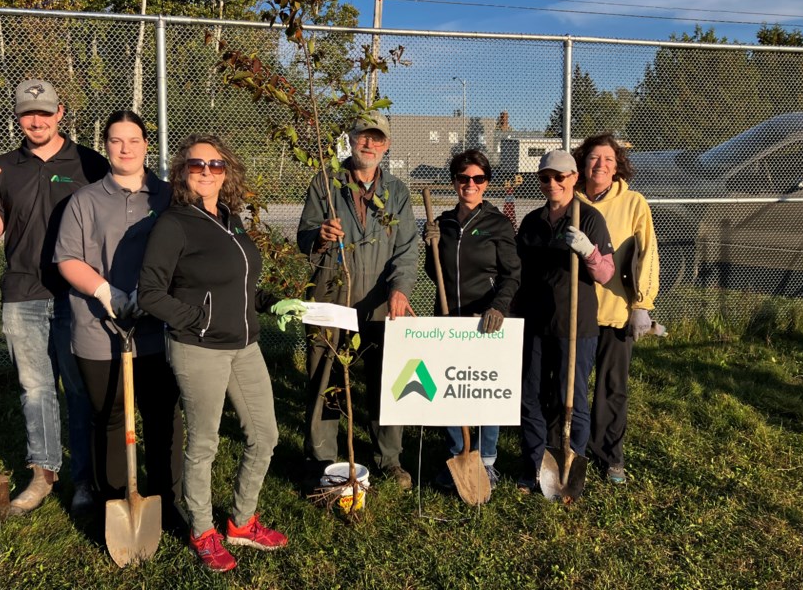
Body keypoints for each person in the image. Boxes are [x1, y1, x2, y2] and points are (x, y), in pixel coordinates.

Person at [138, 133, 298, 573]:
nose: (207, 172)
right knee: (204, 444)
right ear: (182, 172)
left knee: (265, 436)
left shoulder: (231, 218)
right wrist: (199, 321)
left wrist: (270, 302)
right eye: (197, 165)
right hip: (199, 349)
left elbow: (240, 285)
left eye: (216, 165)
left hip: (245, 346)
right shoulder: (174, 224)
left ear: (227, 171)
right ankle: (202, 530)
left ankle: (242, 522)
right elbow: (150, 293)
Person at [0, 79, 108, 515]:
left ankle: (85, 479)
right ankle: (43, 474)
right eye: (29, 114)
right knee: (35, 389)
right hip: (23, 291)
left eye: (45, 113)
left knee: (80, 390)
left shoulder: (89, 162)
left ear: (60, 113)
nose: (37, 121)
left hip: (77, 295)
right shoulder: (5, 167)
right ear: (18, 117)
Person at [53, 110, 183, 528]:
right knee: (109, 416)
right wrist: (106, 291)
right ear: (105, 145)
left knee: (163, 415)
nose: (125, 148)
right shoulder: (84, 201)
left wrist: (154, 298)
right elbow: (68, 259)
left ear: (147, 143)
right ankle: (113, 502)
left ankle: (169, 499)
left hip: (156, 330)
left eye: (133, 140)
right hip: (99, 330)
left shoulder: (167, 198)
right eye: (115, 140)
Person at [297, 112, 420, 490]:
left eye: (376, 138)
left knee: (388, 382)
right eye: (362, 137)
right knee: (327, 381)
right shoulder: (326, 183)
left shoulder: (396, 192)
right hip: (332, 297)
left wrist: (399, 289)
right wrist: (320, 235)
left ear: (386, 145)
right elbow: (304, 237)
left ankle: (389, 459)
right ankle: (324, 461)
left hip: (381, 303)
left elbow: (407, 249)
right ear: (350, 140)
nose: (368, 144)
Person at [514, 149, 614, 493]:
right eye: (546, 178)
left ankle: (570, 466)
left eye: (560, 177)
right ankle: (534, 465)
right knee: (530, 396)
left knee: (570, 399)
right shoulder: (532, 222)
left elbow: (606, 274)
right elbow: (518, 272)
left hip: (575, 326)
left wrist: (589, 251)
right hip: (535, 324)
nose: (553, 183)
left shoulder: (589, 218)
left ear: (574, 178)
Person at [423, 149, 521, 491]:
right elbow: (436, 274)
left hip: (485, 321)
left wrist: (500, 307)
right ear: (454, 182)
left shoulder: (498, 224)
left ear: (486, 183)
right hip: (449, 319)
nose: (470, 184)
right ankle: (457, 454)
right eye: (464, 178)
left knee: (483, 391)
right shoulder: (444, 223)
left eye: (478, 179)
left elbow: (512, 274)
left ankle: (488, 460)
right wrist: (430, 246)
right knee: (452, 388)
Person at [573, 133, 659, 484]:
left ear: (618, 165)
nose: (601, 165)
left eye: (608, 159)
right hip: (576, 312)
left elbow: (648, 254)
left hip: (617, 310)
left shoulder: (634, 203)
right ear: (583, 162)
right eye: (594, 158)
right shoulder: (571, 199)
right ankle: (571, 446)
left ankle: (609, 454)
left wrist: (642, 304)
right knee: (571, 386)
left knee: (612, 387)